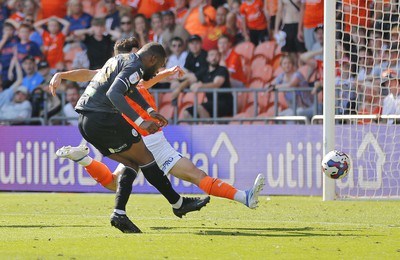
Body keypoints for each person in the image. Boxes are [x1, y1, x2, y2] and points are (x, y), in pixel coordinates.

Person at [49, 38, 265, 222]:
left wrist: (166, 74)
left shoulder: (120, 75)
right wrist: (165, 76)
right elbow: (137, 83)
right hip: (148, 137)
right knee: (195, 175)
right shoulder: (129, 74)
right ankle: (231, 198)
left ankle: (85, 162)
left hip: (139, 134)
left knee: (118, 182)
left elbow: (135, 81)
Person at [183, 48, 234, 119]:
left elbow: (216, 84)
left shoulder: (222, 69)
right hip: (211, 103)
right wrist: (178, 89)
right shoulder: (204, 71)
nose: (214, 57)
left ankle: (208, 129)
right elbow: (190, 79)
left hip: (225, 104)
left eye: (217, 55)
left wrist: (200, 86)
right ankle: (196, 130)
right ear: (207, 58)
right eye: (212, 55)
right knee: (186, 112)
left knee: (200, 108)